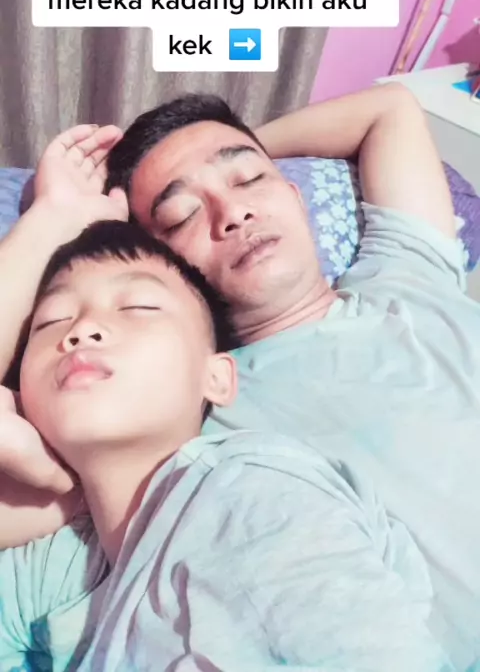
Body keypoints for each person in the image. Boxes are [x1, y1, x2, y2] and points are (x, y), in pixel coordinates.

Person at [1, 83, 480, 668]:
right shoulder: (184, 401)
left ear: (295, 196)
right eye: (181, 214)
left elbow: (391, 108)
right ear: (168, 269)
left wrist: (236, 147)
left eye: (250, 180)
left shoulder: (410, 277)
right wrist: (55, 217)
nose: (234, 214)